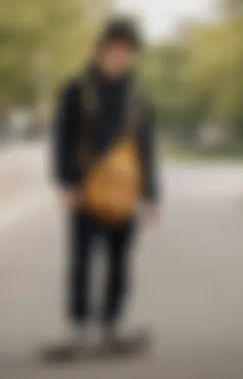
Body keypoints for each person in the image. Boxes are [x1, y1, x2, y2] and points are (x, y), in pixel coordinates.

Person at [52, 18, 160, 348]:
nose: (119, 56)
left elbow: (145, 147)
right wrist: (66, 184)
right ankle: (79, 328)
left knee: (119, 262)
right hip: (85, 190)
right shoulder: (76, 90)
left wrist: (151, 194)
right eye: (114, 49)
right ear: (100, 49)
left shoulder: (137, 95)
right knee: (82, 262)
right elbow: (62, 139)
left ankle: (111, 325)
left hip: (123, 193)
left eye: (126, 51)